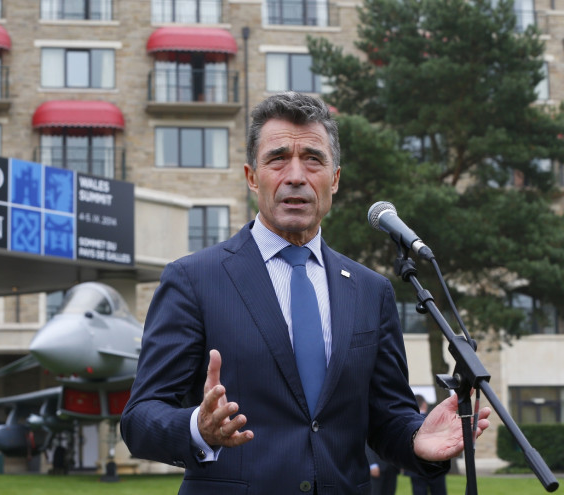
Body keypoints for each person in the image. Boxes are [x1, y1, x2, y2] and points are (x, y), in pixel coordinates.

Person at [120, 91, 491, 494]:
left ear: (334, 179)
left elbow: (388, 419)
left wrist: (418, 440)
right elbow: (140, 418)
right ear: (251, 176)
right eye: (277, 158)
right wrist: (198, 427)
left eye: (313, 159)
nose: (295, 175)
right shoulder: (193, 279)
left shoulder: (371, 291)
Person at [406, 395, 448, 495]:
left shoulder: (407, 423)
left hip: (415, 467)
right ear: (424, 404)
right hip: (436, 465)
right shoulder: (435, 421)